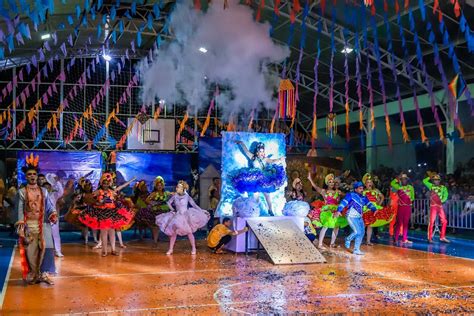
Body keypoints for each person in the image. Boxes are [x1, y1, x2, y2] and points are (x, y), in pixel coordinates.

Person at [15, 154, 58, 285]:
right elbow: (19, 210)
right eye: (29, 174)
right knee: (31, 253)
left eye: (34, 174)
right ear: (26, 176)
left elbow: (50, 206)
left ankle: (44, 274)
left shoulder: (44, 191)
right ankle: (34, 274)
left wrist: (53, 214)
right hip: (29, 226)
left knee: (48, 249)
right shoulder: (22, 192)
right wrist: (21, 228)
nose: (32, 176)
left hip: (44, 224)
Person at [78, 173, 135, 256]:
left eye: (107, 183)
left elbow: (121, 187)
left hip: (111, 212)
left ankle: (113, 250)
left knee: (112, 232)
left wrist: (131, 180)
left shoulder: (112, 191)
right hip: (102, 213)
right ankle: (104, 251)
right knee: (104, 233)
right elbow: (89, 198)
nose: (105, 185)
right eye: (104, 183)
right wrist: (98, 203)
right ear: (101, 183)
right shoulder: (98, 192)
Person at [156, 180, 210, 255]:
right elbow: (168, 203)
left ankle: (193, 248)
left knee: (189, 232)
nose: (176, 188)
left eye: (178, 187)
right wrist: (172, 209)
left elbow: (194, 205)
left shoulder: (187, 196)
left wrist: (201, 210)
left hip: (186, 216)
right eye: (177, 187)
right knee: (173, 233)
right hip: (177, 216)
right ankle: (171, 249)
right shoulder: (175, 196)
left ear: (182, 188)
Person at [233, 141, 285, 216]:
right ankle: (256, 211)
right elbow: (246, 151)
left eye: (263, 151)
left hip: (264, 179)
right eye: (260, 151)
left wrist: (280, 159)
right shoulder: (253, 157)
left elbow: (273, 161)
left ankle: (270, 210)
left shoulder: (265, 159)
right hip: (255, 179)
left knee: (267, 195)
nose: (262, 153)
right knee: (256, 197)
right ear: (257, 152)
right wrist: (241, 143)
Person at [307, 173, 347, 249]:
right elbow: (315, 187)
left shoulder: (337, 192)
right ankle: (320, 244)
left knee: (336, 226)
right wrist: (310, 179)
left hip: (335, 210)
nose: (332, 183)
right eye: (330, 182)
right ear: (327, 183)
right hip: (327, 211)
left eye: (332, 182)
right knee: (325, 226)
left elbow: (346, 196)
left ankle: (332, 243)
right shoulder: (324, 191)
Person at [337, 181, 377, 255]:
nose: (362, 190)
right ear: (355, 189)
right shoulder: (350, 195)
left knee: (361, 233)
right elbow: (344, 202)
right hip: (351, 216)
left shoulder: (364, 197)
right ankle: (348, 239)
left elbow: (369, 204)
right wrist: (339, 210)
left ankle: (356, 249)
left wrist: (374, 209)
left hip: (359, 217)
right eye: (360, 188)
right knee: (357, 232)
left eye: (362, 188)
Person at [361, 173, 394, 246]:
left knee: (370, 225)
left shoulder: (376, 190)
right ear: (365, 184)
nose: (369, 183)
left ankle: (368, 241)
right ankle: (359, 240)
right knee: (363, 225)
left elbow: (382, 196)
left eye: (370, 182)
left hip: (374, 208)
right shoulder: (363, 191)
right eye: (368, 182)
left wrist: (379, 203)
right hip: (366, 209)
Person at [65, 177, 95, 245]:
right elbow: (75, 200)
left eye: (89, 186)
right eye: (86, 186)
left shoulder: (93, 193)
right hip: (83, 210)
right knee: (85, 225)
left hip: (91, 210)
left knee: (93, 225)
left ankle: (94, 238)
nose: (88, 187)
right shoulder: (80, 194)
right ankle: (86, 239)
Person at [423, 173, 449, 243]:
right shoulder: (431, 186)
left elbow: (446, 195)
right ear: (433, 181)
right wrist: (430, 176)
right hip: (433, 206)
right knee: (431, 222)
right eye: (435, 180)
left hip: (440, 206)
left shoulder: (443, 187)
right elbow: (424, 181)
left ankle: (442, 237)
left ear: (439, 180)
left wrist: (442, 201)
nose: (436, 181)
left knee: (444, 221)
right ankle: (429, 238)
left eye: (437, 180)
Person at [391, 173, 415, 244]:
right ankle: (396, 238)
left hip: (408, 207)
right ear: (400, 180)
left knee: (406, 223)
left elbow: (413, 197)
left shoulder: (411, 187)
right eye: (402, 179)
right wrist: (397, 178)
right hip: (401, 207)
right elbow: (392, 183)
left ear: (407, 180)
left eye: (405, 179)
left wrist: (410, 201)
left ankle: (405, 239)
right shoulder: (398, 187)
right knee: (399, 223)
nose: (404, 180)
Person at [45, 173, 64, 257]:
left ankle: (58, 251)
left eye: (48, 186)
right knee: (44, 234)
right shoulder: (40, 195)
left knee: (55, 234)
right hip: (43, 217)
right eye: (45, 186)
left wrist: (57, 182)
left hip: (53, 216)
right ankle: (44, 251)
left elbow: (61, 191)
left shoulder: (54, 194)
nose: (47, 188)